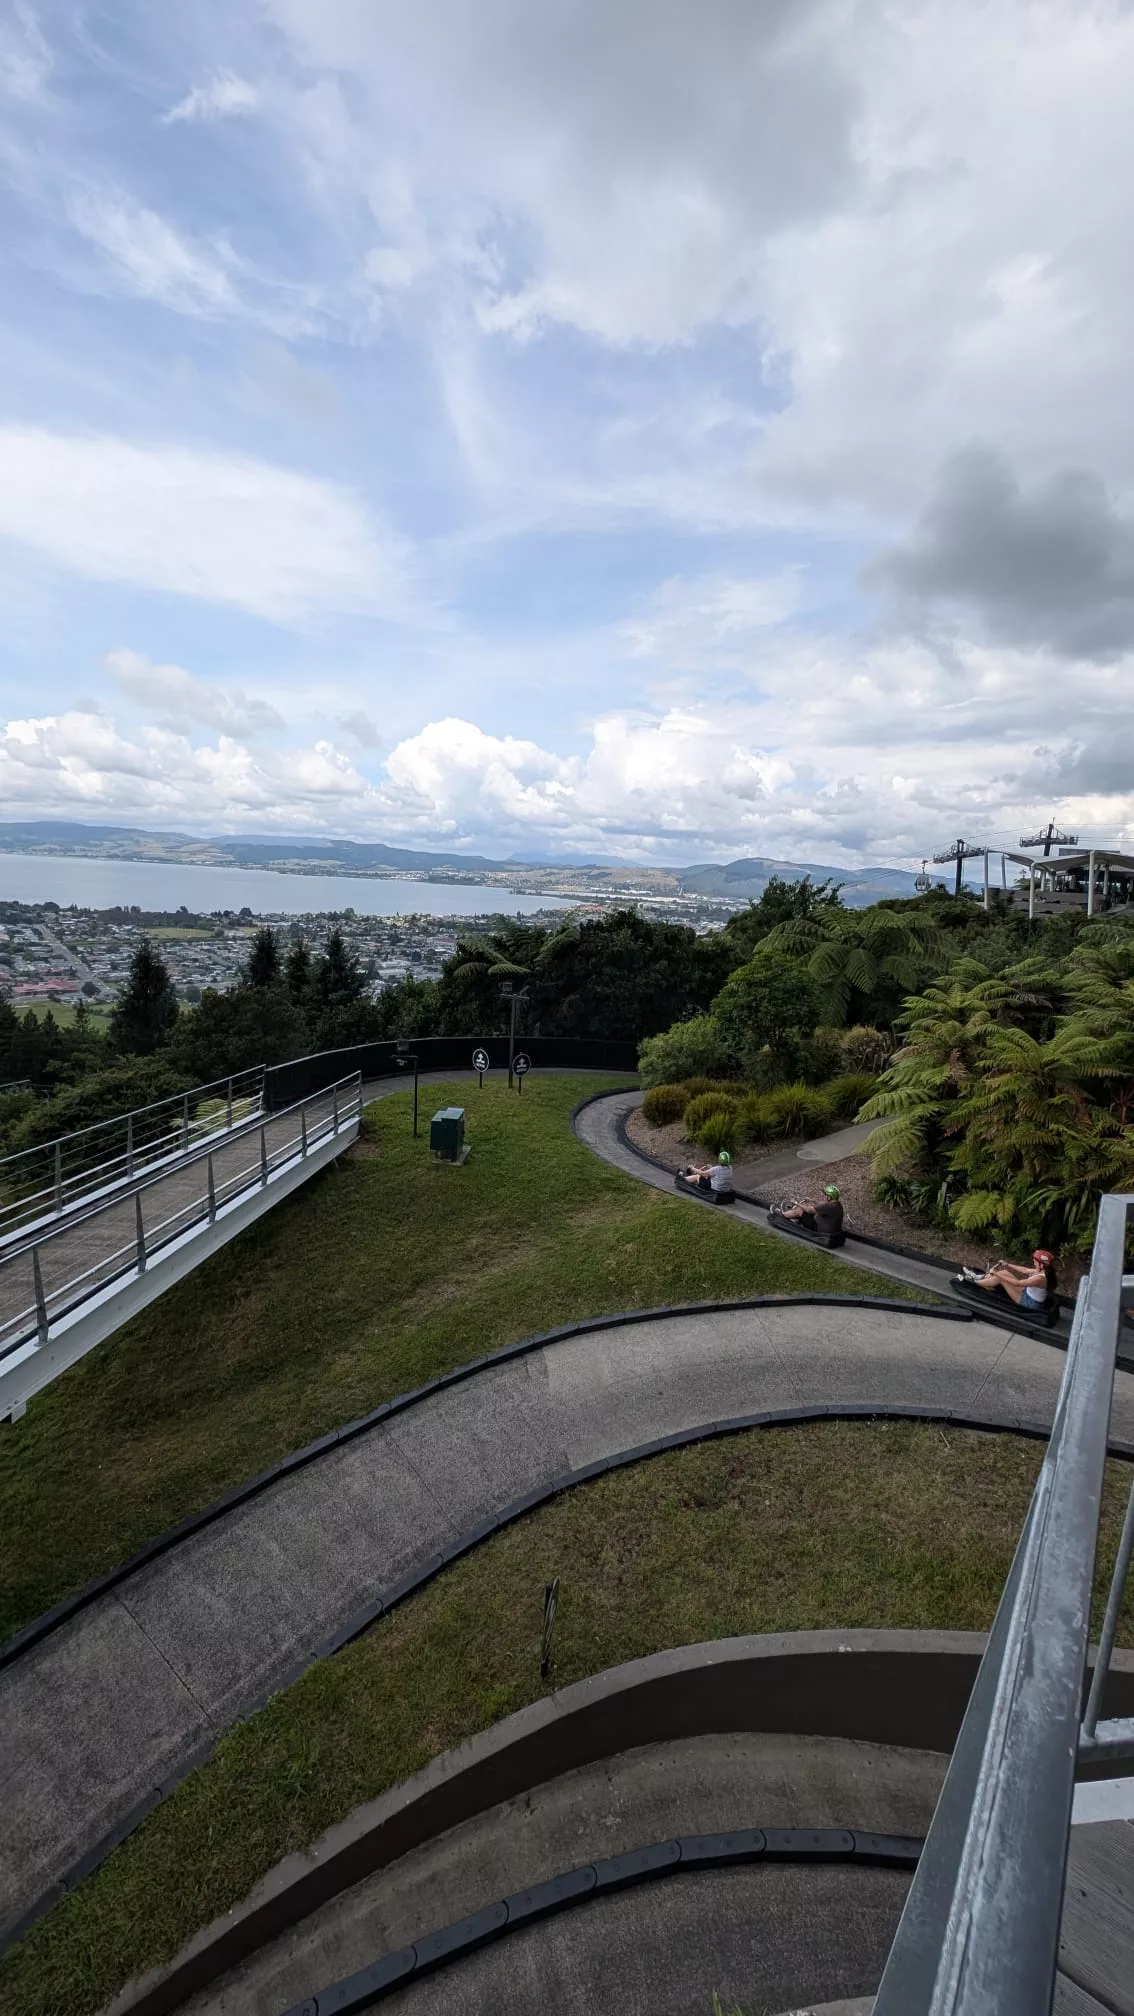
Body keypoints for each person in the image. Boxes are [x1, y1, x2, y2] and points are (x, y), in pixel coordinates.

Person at [960, 1250, 1057, 1312]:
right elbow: (1025, 1270)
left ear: (1042, 1265)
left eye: (1035, 1262)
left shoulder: (1040, 1279)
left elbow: (1017, 1283)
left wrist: (996, 1274)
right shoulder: (1044, 1271)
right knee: (1005, 1272)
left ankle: (974, 1281)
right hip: (1027, 1292)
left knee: (1001, 1279)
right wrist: (1007, 1264)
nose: (1034, 1263)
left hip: (1029, 1303)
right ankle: (978, 1277)